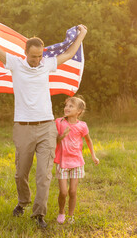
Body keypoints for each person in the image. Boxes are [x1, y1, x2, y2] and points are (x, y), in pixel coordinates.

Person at [0, 12, 88, 228]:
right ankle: (23, 202)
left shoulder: (47, 65)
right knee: (21, 173)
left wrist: (82, 35)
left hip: (47, 128)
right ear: (25, 53)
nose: (37, 60)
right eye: (33, 56)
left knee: (44, 175)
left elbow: (69, 54)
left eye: (40, 56)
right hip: (23, 127)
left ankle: (39, 213)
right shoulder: (15, 64)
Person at [54, 96, 99, 224]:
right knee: (63, 192)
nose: (66, 108)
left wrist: (93, 156)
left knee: (72, 191)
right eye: (66, 105)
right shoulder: (60, 122)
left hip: (77, 162)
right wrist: (62, 136)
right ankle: (61, 212)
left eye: (71, 106)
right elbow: (54, 141)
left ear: (79, 111)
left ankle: (70, 216)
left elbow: (89, 141)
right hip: (62, 162)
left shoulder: (82, 126)